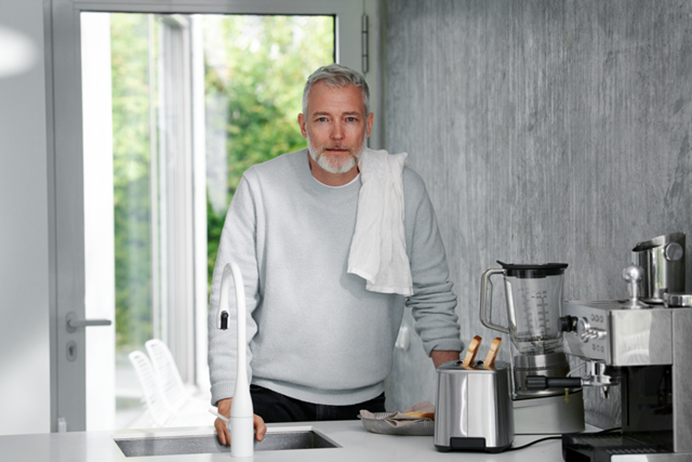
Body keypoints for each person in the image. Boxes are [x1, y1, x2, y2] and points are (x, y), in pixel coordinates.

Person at [208, 64, 463, 445]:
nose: (338, 134)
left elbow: (433, 294)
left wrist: (458, 392)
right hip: (270, 402)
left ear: (369, 124)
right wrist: (230, 403)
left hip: (366, 407)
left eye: (350, 119)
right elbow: (231, 302)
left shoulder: (402, 189)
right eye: (323, 119)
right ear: (302, 124)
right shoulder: (261, 186)